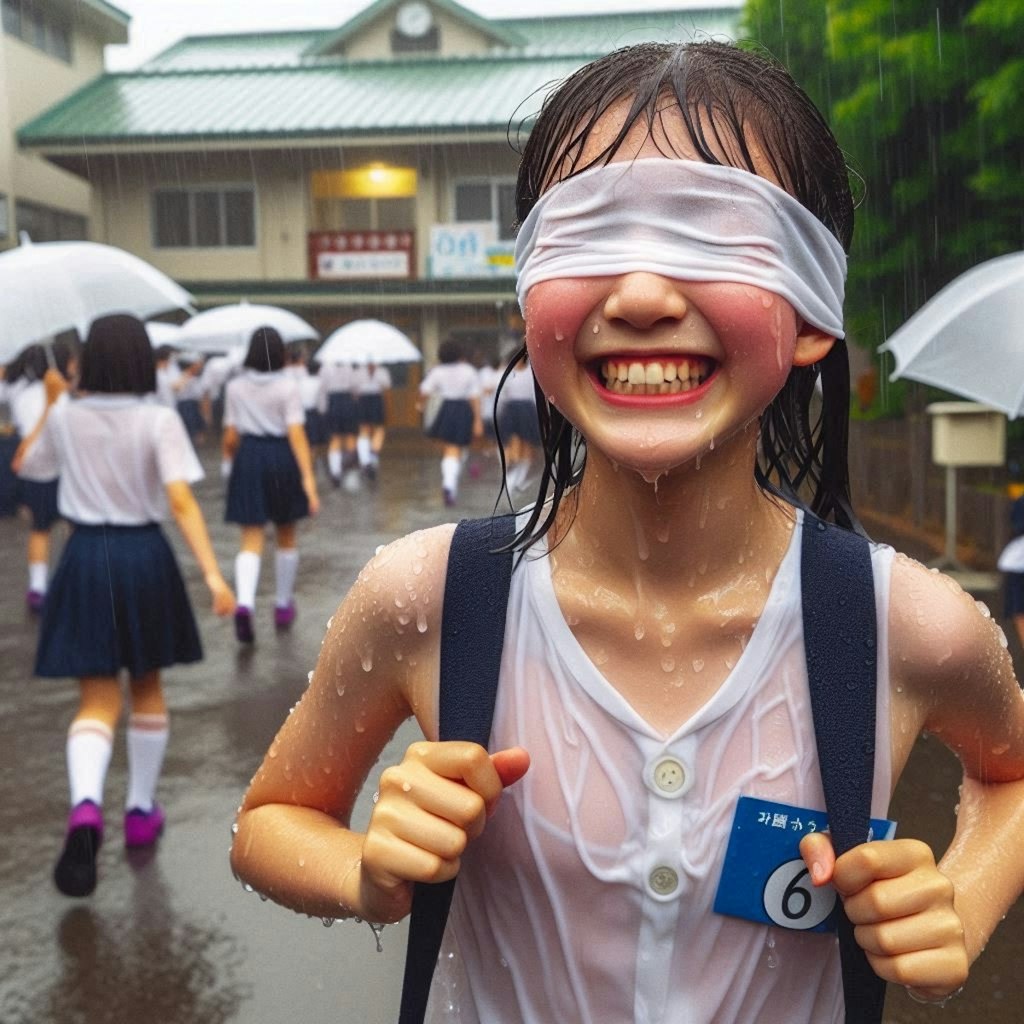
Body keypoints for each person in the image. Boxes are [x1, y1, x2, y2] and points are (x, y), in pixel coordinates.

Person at [230, 41, 1024, 1022]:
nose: (642, 295)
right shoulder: (427, 596)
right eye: (591, 234)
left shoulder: (906, 623)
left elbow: (1012, 773)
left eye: (717, 235)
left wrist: (962, 898)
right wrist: (366, 870)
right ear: (529, 298)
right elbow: (271, 819)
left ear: (815, 312)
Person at [13, 314, 235, 898]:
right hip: (144, 556)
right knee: (147, 687)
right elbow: (181, 499)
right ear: (140, 360)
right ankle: (139, 811)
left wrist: (54, 403)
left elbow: (25, 466)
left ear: (88, 359)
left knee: (95, 698)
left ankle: (86, 806)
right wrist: (213, 574)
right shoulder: (158, 418)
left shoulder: (63, 415)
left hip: (85, 555)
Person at [222, 326, 320, 644]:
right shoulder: (288, 386)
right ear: (279, 353)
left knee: (250, 536)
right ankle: (281, 605)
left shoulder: (235, 387)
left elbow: (231, 436)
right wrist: (308, 480)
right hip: (281, 457)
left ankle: (245, 603)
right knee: (286, 534)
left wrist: (231, 462)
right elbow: (296, 434)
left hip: (249, 455)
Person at [7, 340, 76, 612]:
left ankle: (39, 587)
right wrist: (52, 402)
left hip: (39, 471)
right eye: (70, 360)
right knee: (65, 526)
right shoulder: (45, 395)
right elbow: (39, 437)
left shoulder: (21, 391)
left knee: (41, 528)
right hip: (50, 468)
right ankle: (57, 583)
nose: (74, 365)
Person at [418, 338, 483, 506]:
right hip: (464, 410)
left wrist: (420, 404)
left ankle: (449, 482)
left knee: (450, 448)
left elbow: (425, 390)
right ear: (459, 353)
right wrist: (477, 419)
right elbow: (474, 397)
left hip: (447, 409)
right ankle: (451, 482)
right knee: (458, 447)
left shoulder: (438, 371)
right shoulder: (468, 370)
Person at [494, 351, 540, 499]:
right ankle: (510, 478)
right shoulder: (507, 373)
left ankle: (518, 480)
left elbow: (535, 394)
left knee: (527, 444)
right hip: (511, 409)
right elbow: (501, 395)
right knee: (513, 442)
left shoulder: (531, 373)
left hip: (526, 409)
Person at [318, 357, 360, 490]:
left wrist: (322, 409)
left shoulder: (325, 367)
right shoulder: (349, 365)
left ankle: (335, 472)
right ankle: (349, 470)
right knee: (350, 436)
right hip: (347, 401)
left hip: (332, 402)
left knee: (334, 438)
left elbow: (322, 389)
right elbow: (355, 387)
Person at [352, 359, 392, 480]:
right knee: (372, 429)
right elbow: (387, 384)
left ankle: (368, 459)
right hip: (371, 398)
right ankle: (370, 458)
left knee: (372, 429)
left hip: (369, 398)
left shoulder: (360, 370)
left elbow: (354, 388)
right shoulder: (381, 370)